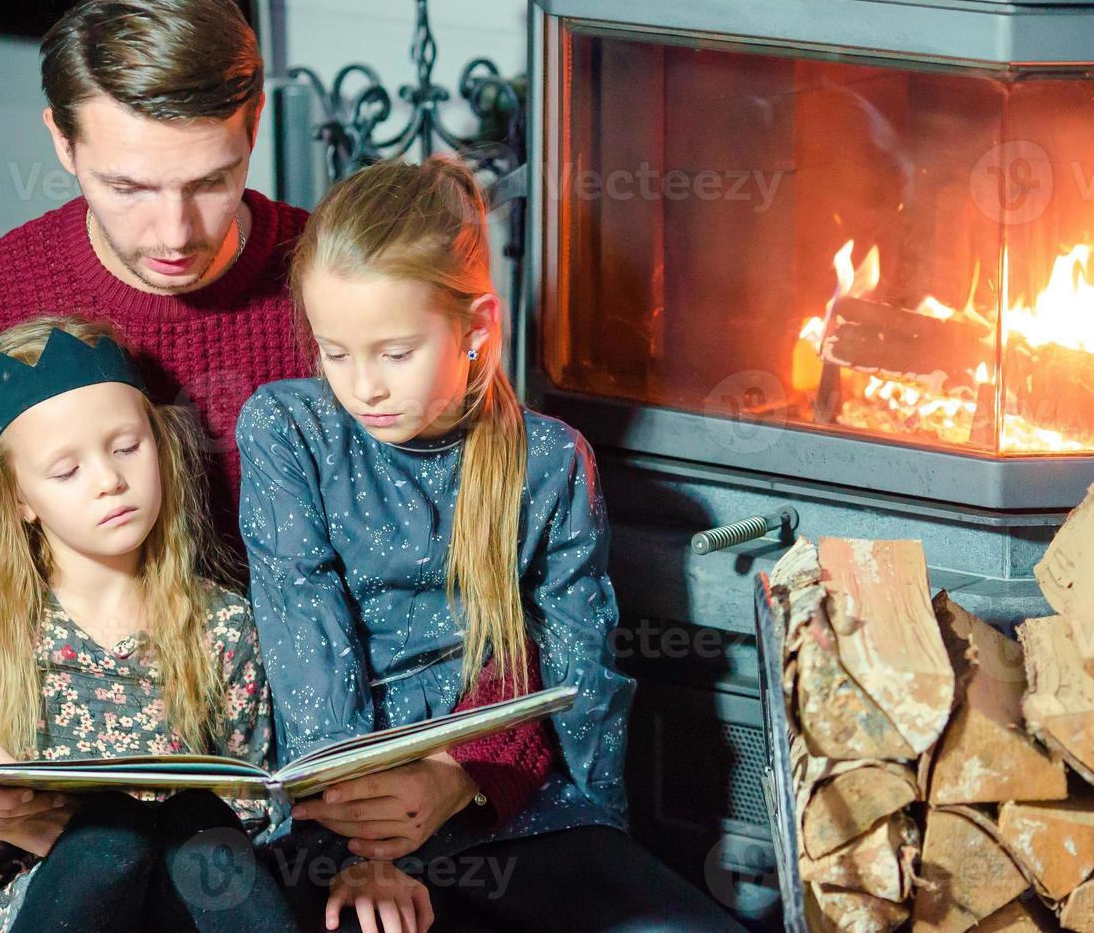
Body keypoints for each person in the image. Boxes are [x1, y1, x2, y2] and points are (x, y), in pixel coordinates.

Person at [0, 0, 538, 870]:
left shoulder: (352, 295)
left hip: (297, 803)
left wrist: (467, 770)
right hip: (36, 808)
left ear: (254, 125)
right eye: (128, 188)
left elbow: (505, 556)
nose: (175, 233)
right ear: (63, 143)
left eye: (211, 179)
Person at [237, 158, 745, 932]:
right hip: (340, 818)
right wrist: (357, 842)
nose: (362, 386)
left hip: (512, 807)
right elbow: (305, 639)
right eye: (334, 353)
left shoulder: (550, 459)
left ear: (477, 329)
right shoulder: (288, 430)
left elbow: (576, 668)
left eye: (395, 352)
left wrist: (459, 779)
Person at [0, 317, 298, 931]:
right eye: (66, 472)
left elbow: (253, 806)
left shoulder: (224, 627)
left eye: (127, 447)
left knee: (203, 840)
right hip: (39, 898)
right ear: (20, 500)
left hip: (183, 891)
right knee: (107, 846)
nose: (109, 481)